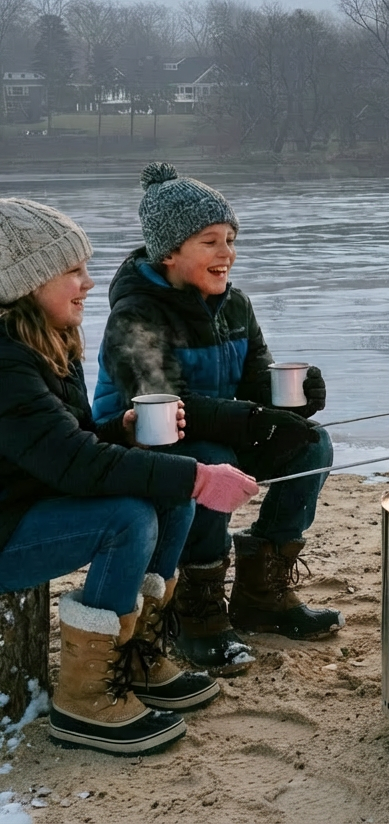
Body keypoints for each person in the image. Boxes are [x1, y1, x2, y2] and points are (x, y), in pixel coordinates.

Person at [0, 198, 259, 755]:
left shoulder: (43, 339)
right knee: (129, 516)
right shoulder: (6, 362)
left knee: (170, 503)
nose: (89, 284)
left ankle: (138, 657)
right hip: (7, 525)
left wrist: (122, 427)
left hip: (26, 504)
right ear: (27, 282)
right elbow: (75, 463)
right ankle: (85, 702)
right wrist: (194, 475)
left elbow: (70, 441)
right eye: (73, 271)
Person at [92, 163, 341, 676]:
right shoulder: (137, 314)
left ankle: (262, 590)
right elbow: (162, 406)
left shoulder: (236, 305)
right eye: (210, 241)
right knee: (212, 459)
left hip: (222, 430)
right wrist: (252, 419)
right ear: (170, 251)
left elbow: (256, 381)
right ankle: (197, 607)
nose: (227, 253)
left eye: (230, 239)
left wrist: (297, 398)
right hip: (142, 443)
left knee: (312, 444)